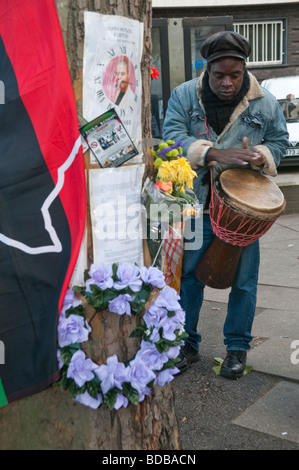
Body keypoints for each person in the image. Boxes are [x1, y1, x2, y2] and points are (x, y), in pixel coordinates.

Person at [162, 31, 289, 379]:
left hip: (241, 210)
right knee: (188, 278)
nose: (228, 82)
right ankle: (186, 343)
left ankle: (237, 348)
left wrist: (262, 156)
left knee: (244, 281)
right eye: (219, 75)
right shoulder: (184, 95)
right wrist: (212, 153)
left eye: (235, 75)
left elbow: (279, 140)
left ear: (245, 69)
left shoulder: (265, 102)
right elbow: (171, 136)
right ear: (208, 68)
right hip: (193, 204)